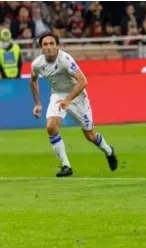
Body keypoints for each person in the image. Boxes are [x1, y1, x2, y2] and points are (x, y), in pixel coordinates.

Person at [30, 32, 118, 177]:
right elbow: (33, 80)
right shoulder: (37, 64)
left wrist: (69, 100)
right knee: (51, 127)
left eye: (52, 43)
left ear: (57, 45)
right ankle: (66, 166)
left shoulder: (65, 60)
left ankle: (109, 151)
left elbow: (83, 82)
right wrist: (38, 104)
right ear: (41, 47)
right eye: (45, 44)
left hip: (77, 97)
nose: (49, 47)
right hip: (58, 95)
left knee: (90, 136)